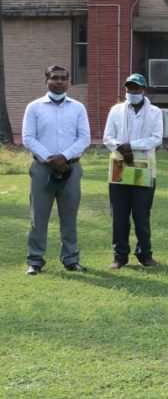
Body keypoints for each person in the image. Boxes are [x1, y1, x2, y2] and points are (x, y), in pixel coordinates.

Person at [22, 65, 91, 275]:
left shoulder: (78, 108)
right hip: (43, 168)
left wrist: (64, 157)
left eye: (64, 78)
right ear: (46, 81)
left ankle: (70, 259)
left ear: (68, 82)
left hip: (71, 169)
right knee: (39, 217)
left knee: (69, 216)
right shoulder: (34, 107)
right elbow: (28, 138)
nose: (59, 82)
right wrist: (51, 159)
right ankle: (35, 260)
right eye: (55, 78)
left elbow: (84, 138)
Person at [102, 73, 163, 269]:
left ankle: (144, 254)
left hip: (144, 168)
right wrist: (121, 147)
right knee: (119, 215)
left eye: (136, 88)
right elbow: (107, 138)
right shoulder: (116, 110)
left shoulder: (154, 112)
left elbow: (156, 138)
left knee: (141, 214)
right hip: (119, 167)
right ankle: (120, 256)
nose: (132, 92)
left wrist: (131, 146)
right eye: (129, 88)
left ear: (144, 90)